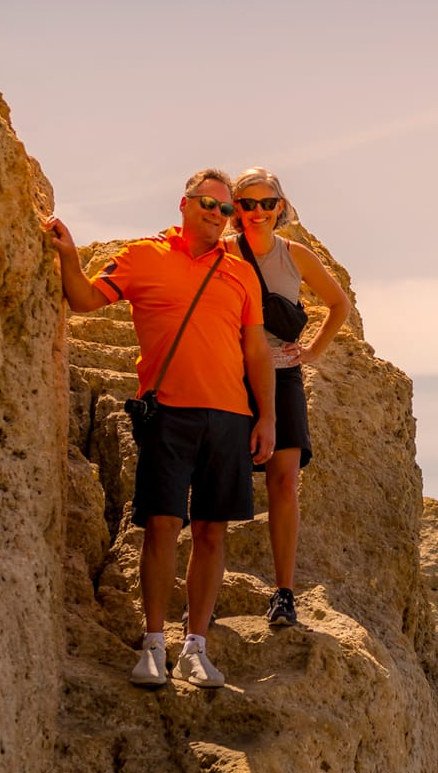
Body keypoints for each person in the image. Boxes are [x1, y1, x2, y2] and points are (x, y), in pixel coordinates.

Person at [42, 169, 274, 689]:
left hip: (232, 418)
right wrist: (69, 257)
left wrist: (268, 416)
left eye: (227, 211)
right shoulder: (145, 256)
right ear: (185, 204)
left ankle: (196, 646)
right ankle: (152, 644)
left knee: (213, 533)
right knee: (163, 526)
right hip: (168, 411)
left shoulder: (241, 274)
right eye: (209, 206)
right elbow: (83, 300)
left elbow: (256, 349)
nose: (220, 217)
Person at [223, 167, 349, 628]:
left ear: (280, 207)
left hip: (283, 377)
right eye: (247, 203)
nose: (257, 212)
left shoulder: (295, 255)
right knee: (217, 482)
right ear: (236, 209)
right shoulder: (221, 253)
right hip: (229, 378)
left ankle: (283, 594)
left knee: (283, 485)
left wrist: (312, 350)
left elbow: (339, 305)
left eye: (266, 203)